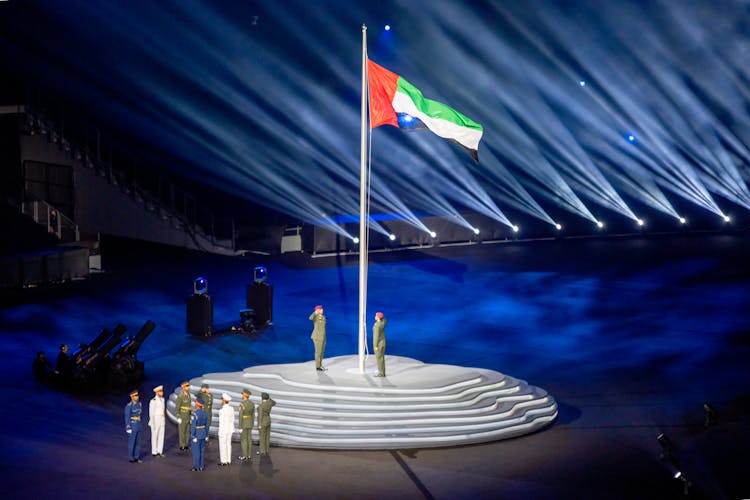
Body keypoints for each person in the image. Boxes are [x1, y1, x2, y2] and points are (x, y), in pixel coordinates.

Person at [190, 397, 209, 471]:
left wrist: (193, 435)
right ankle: (201, 466)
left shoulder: (195, 414)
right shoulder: (205, 413)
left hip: (196, 435)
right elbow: (207, 425)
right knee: (202, 451)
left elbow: (193, 426)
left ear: (197, 404)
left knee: (196, 452)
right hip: (203, 433)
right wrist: (207, 435)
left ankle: (196, 467)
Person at [124, 389, 143, 463]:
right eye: (135, 396)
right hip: (132, 424)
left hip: (138, 425)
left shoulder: (139, 404)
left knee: (138, 443)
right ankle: (131, 457)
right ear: (132, 397)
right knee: (132, 442)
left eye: (137, 395)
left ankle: (136, 457)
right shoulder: (129, 406)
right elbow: (127, 417)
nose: (137, 397)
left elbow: (139, 414)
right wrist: (128, 427)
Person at [148, 385, 166, 457]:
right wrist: (152, 421)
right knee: (155, 436)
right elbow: (151, 412)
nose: (162, 392)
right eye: (160, 391)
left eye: (162, 391)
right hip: (156, 419)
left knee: (161, 435)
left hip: (162, 419)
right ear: (157, 392)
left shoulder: (163, 399)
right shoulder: (153, 401)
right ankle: (154, 452)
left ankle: (159, 451)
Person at [238, 388, 255, 462]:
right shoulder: (252, 404)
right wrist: (252, 423)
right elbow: (253, 415)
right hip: (250, 423)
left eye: (242, 394)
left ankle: (244, 456)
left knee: (244, 440)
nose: (242, 395)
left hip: (244, 423)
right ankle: (249, 455)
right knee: (249, 439)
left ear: (245, 395)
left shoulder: (242, 404)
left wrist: (240, 426)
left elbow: (240, 416)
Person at [217, 393, 234, 466]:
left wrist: (220, 432)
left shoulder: (222, 410)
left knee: (222, 445)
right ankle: (228, 460)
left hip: (223, 430)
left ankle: (223, 461)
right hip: (230, 429)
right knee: (228, 445)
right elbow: (232, 419)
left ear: (224, 400)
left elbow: (221, 422)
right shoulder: (231, 408)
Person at [175, 381, 192, 450]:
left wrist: (190, 416)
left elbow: (189, 406)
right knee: (182, 431)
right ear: (183, 387)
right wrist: (178, 416)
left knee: (187, 431)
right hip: (182, 415)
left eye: (188, 386)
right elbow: (177, 407)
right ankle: (182, 445)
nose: (188, 387)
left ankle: (186, 444)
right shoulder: (180, 396)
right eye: (186, 386)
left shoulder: (188, 395)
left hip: (188, 415)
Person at [309, 305, 327, 371]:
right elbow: (310, 318)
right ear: (318, 310)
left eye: (322, 309)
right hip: (317, 337)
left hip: (323, 337)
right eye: (321, 309)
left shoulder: (323, 317)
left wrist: (325, 337)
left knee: (322, 352)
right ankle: (317, 366)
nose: (322, 310)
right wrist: (315, 312)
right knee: (318, 352)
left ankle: (320, 365)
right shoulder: (315, 317)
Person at [373, 311, 388, 377]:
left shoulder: (377, 326)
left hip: (379, 344)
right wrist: (382, 317)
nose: (375, 316)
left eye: (376, 316)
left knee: (379, 358)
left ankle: (381, 373)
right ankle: (382, 372)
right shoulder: (383, 322)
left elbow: (376, 336)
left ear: (378, 318)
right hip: (383, 342)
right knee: (381, 358)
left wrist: (375, 345)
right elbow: (385, 320)